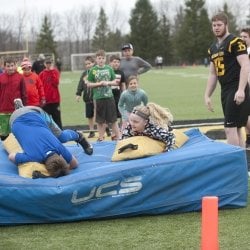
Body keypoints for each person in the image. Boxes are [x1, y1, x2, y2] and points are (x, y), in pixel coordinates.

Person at [8, 101, 93, 178]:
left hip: (29, 113)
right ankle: (79, 136)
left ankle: (21, 108)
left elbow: (74, 164)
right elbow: (11, 156)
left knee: (58, 137)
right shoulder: (34, 157)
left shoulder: (59, 148)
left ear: (61, 157)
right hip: (17, 118)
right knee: (61, 137)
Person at [204, 12, 250, 147]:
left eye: (219, 25)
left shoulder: (236, 42)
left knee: (229, 128)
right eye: (214, 25)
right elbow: (213, 74)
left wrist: (241, 89)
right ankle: (241, 161)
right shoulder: (212, 48)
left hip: (236, 87)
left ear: (226, 25)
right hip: (225, 89)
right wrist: (207, 95)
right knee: (236, 128)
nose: (216, 28)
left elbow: (245, 65)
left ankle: (234, 162)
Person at [87, 49, 120, 141]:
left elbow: (115, 82)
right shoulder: (93, 70)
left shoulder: (109, 69)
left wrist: (108, 83)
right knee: (100, 120)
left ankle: (118, 136)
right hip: (98, 98)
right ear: (96, 59)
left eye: (102, 58)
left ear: (105, 59)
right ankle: (101, 137)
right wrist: (99, 84)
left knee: (113, 119)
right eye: (99, 58)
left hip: (109, 97)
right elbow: (89, 84)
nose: (101, 60)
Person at [0, 57, 27, 141]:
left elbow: (24, 93)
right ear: (4, 67)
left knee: (17, 134)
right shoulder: (1, 77)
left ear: (15, 66)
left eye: (12, 65)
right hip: (3, 110)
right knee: (4, 135)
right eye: (8, 66)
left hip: (16, 110)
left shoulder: (20, 77)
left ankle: (17, 153)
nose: (10, 68)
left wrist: (24, 108)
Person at [39, 57, 62, 129]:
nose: (48, 65)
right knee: (46, 120)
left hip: (55, 100)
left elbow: (56, 83)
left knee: (57, 118)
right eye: (47, 63)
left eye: (50, 63)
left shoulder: (55, 72)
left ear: (52, 64)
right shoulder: (42, 74)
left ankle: (60, 134)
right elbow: (39, 87)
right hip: (46, 101)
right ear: (44, 64)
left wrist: (52, 72)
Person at [75, 56, 96, 138]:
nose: (88, 65)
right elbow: (80, 84)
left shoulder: (96, 72)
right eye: (86, 64)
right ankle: (91, 131)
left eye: (89, 63)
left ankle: (105, 129)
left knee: (99, 115)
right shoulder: (84, 74)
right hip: (87, 99)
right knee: (89, 116)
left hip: (96, 98)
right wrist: (78, 94)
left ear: (93, 63)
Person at [109, 54, 126, 137]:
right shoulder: (108, 71)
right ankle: (113, 132)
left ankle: (122, 130)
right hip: (108, 96)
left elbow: (122, 85)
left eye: (118, 62)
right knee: (112, 115)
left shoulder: (121, 72)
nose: (116, 64)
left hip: (118, 96)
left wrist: (124, 94)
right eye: (114, 62)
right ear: (110, 63)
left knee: (121, 114)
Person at [240, 28, 250, 147]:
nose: (242, 39)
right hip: (243, 87)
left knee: (244, 115)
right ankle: (248, 139)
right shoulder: (242, 51)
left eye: (245, 37)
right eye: (241, 36)